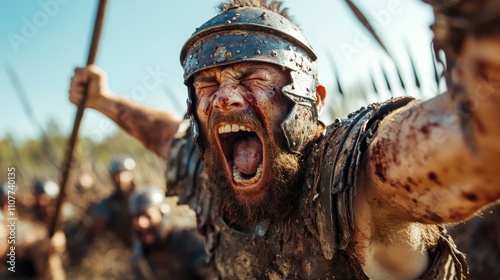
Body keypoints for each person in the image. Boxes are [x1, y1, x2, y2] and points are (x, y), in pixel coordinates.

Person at [69, 0, 500, 278]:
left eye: (252, 76)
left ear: (312, 98)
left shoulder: (357, 180)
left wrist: (476, 18)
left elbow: (475, 138)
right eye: (206, 84)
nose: (223, 98)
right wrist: (105, 102)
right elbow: (167, 136)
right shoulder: (213, 177)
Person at [130, 186, 210, 279]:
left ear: (162, 213)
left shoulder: (188, 238)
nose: (141, 223)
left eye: (147, 216)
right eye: (136, 218)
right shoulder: (140, 253)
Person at [89, 155, 137, 247]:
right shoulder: (108, 202)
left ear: (131, 174)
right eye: (116, 175)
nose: (120, 179)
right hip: (120, 248)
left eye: (123, 174)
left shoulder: (141, 196)